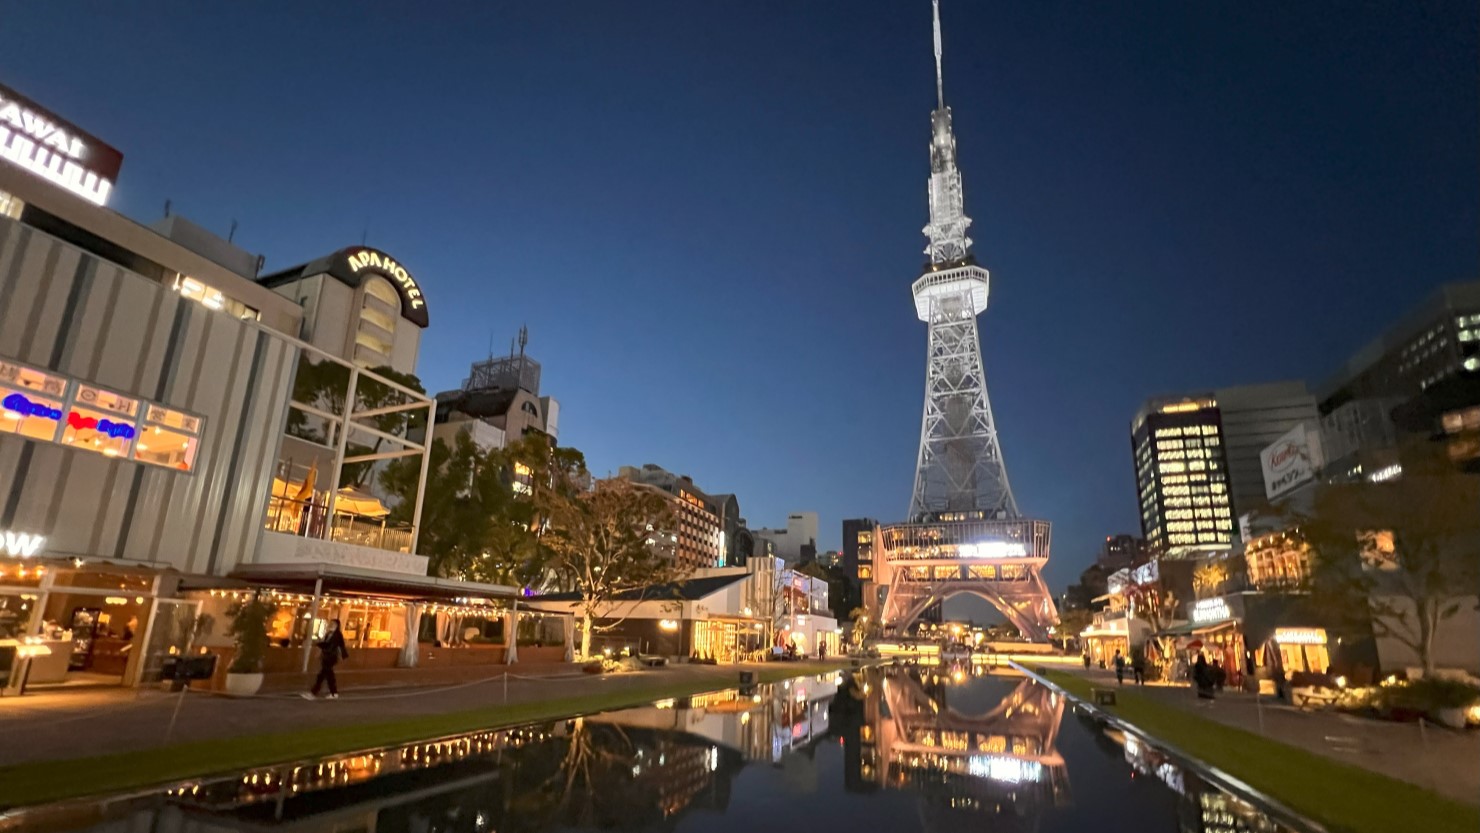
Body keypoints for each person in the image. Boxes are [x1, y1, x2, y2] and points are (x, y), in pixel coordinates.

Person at [303, 620, 349, 700]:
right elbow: (325, 644)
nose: (330, 625)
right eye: (330, 623)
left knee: (322, 675)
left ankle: (314, 693)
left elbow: (331, 646)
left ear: (336, 625)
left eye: (332, 624)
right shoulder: (329, 634)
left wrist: (318, 644)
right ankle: (333, 693)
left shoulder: (337, 635)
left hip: (331, 657)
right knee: (328, 675)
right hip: (327, 657)